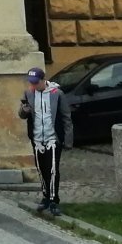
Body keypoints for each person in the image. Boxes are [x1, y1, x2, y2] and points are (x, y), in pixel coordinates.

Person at [20, 66, 73, 216]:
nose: (33, 85)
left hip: (53, 138)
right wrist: (24, 110)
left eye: (36, 82)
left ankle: (54, 200)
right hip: (37, 139)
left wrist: (68, 140)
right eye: (31, 83)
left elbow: (66, 118)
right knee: (41, 169)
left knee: (53, 170)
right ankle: (45, 197)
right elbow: (22, 114)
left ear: (44, 80)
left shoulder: (57, 94)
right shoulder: (29, 93)